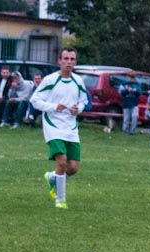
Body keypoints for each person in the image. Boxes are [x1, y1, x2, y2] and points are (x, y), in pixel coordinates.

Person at [30, 48, 90, 210]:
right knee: (62, 162)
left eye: (72, 59)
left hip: (71, 127)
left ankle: (52, 177)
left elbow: (84, 100)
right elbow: (35, 100)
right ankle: (60, 200)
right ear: (59, 61)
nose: (69, 62)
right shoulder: (50, 80)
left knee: (73, 168)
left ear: (75, 62)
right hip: (53, 126)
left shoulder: (78, 81)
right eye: (66, 59)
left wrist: (79, 109)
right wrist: (54, 106)